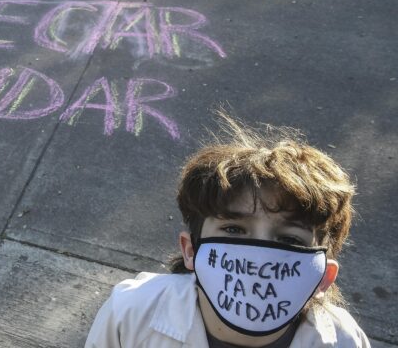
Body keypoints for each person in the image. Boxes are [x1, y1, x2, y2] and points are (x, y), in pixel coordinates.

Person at [85, 113, 370, 347]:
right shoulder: (130, 313)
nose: (259, 258)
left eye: (288, 238)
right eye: (233, 229)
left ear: (324, 276)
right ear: (190, 251)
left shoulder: (343, 340)